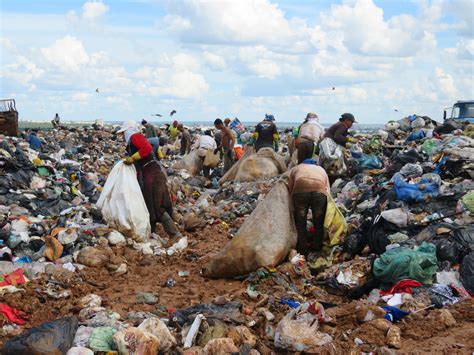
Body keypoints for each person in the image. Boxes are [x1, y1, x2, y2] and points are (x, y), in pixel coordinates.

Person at [117, 121, 181, 238]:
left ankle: (175, 234)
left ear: (128, 130)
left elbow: (146, 148)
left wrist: (133, 158)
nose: (122, 136)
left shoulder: (135, 137)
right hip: (150, 173)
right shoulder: (133, 140)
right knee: (149, 203)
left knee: (157, 205)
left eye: (123, 133)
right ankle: (151, 232)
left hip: (153, 174)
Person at [287, 159, 330, 256]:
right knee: (318, 222)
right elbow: (327, 189)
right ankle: (316, 247)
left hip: (300, 191)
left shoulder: (297, 168)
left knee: (300, 222)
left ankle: (302, 249)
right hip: (319, 192)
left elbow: (290, 186)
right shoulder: (321, 169)